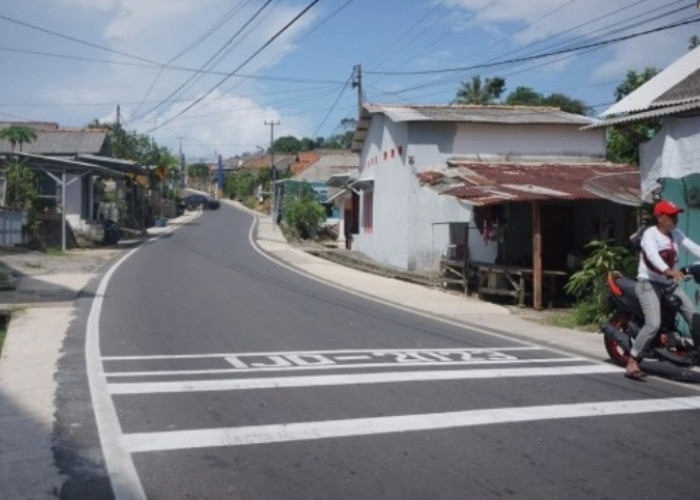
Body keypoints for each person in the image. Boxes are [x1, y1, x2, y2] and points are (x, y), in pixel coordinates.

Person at [625, 199, 700, 380]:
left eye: (676, 215)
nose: (675, 218)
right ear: (659, 217)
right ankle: (633, 360)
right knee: (653, 324)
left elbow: (693, 247)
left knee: (694, 317)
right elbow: (651, 256)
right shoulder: (650, 234)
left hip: (668, 285)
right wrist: (668, 271)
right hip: (648, 283)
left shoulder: (675, 233)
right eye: (671, 215)